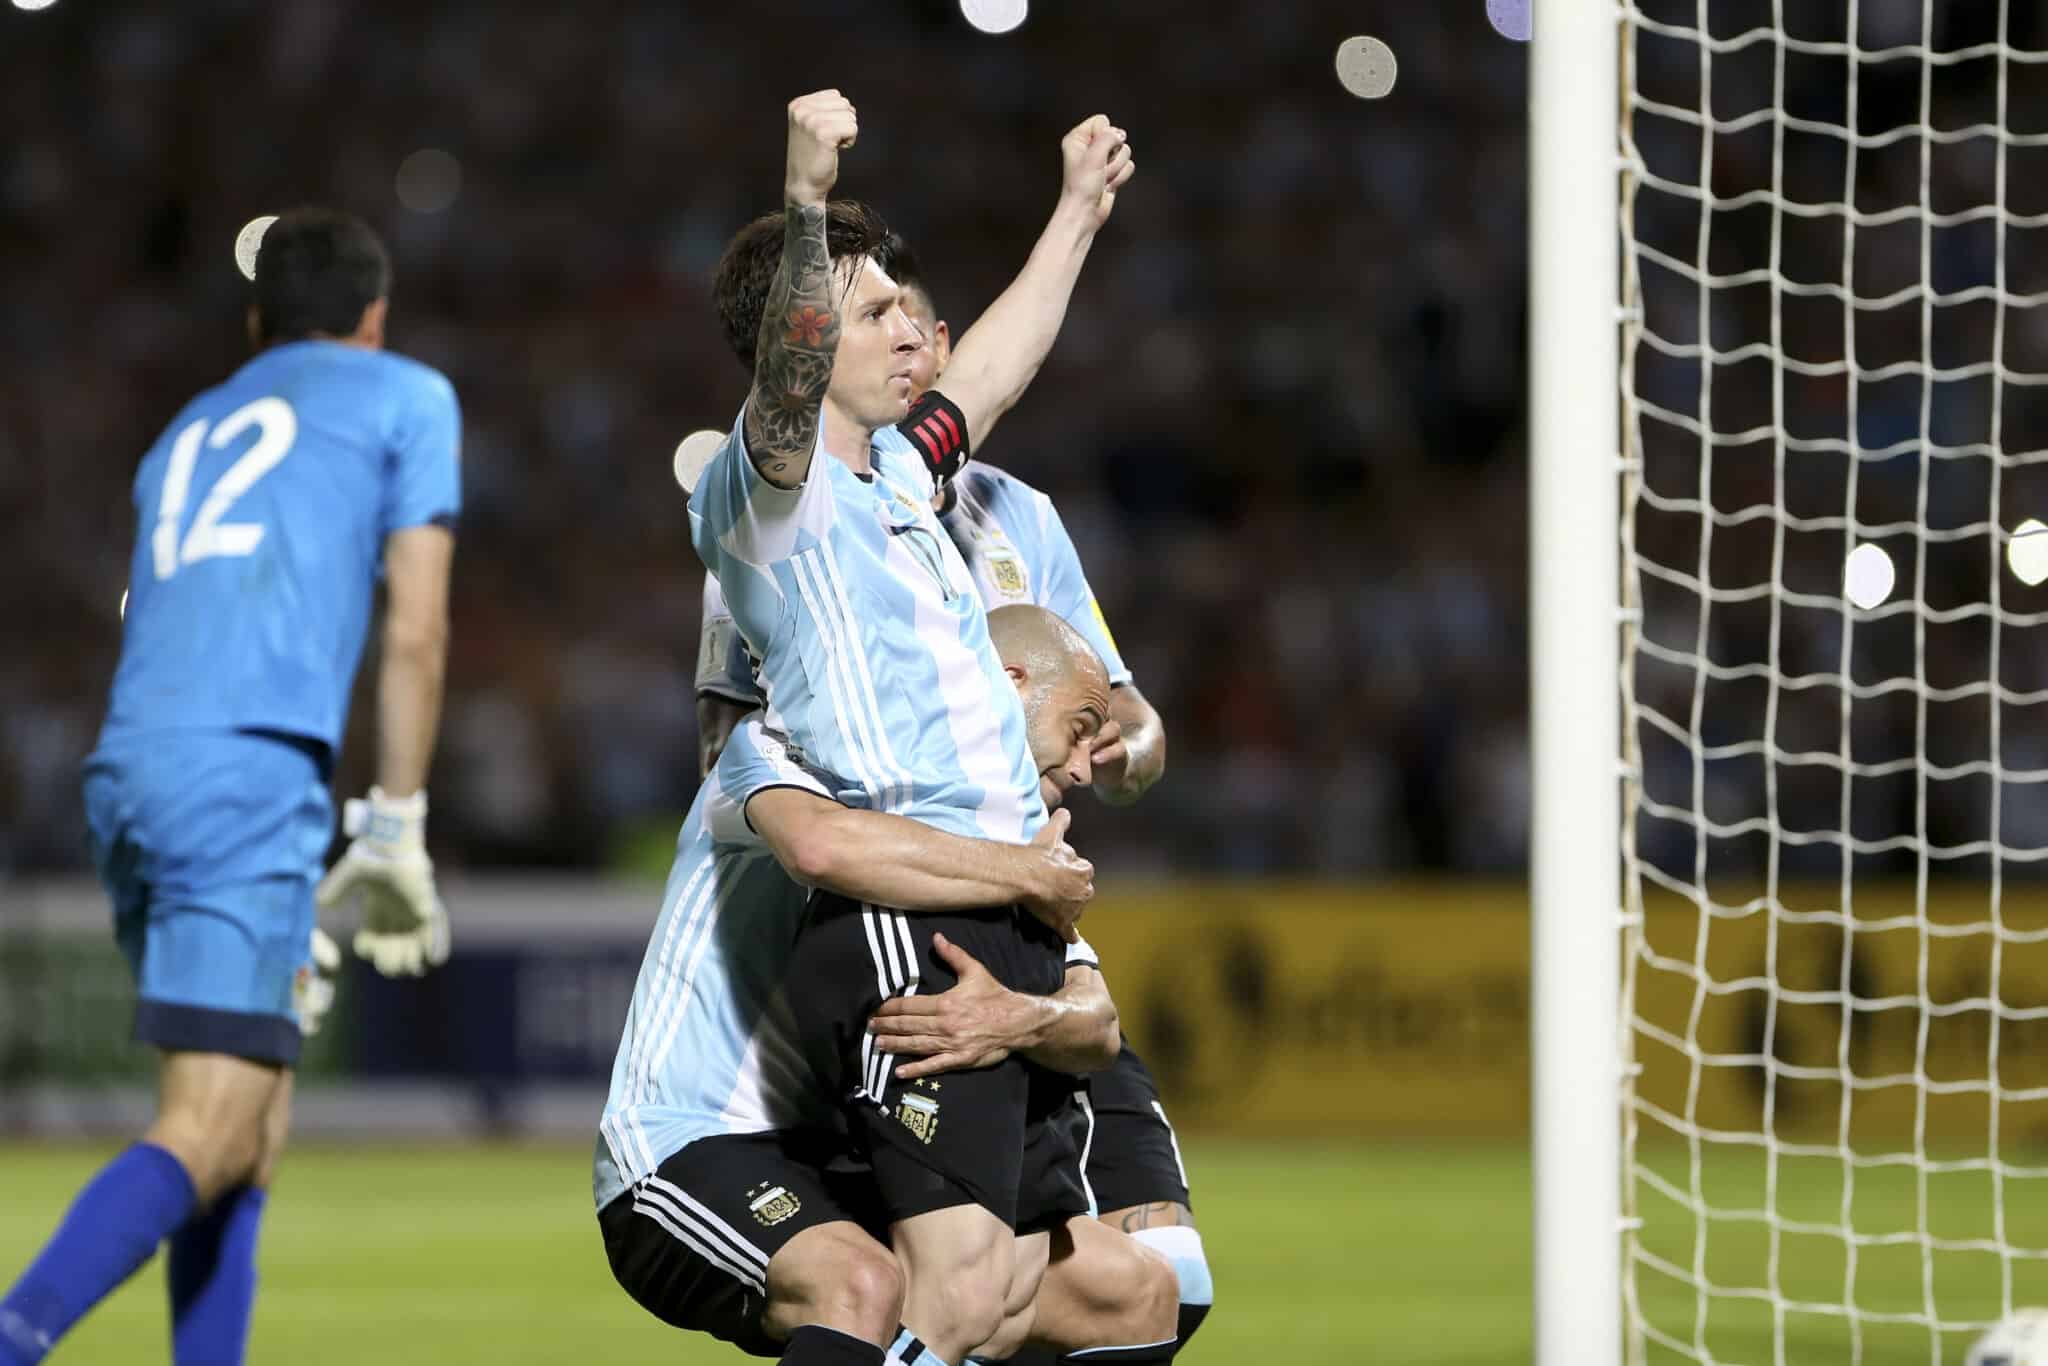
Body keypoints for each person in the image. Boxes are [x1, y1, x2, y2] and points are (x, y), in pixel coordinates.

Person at [698, 243, 1210, 1357]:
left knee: (1150, 1290)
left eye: (920, 323)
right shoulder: (800, 516)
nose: (913, 340)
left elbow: (1126, 712)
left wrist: (1080, 211)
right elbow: (735, 738)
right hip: (914, 896)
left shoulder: (1007, 512)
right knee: (962, 1290)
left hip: (1028, 898)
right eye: (881, 315)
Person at [0, 208, 459, 1366]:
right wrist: (396, 820)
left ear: (259, 323)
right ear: (373, 316)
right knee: (207, 1130)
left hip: (135, 767)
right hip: (246, 774)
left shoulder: (184, 432)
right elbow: (417, 628)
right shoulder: (404, 395)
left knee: (249, 1130)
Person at [596, 606, 1174, 1366]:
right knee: (861, 1288)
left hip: (835, 1156)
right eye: (1078, 727)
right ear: (1005, 685)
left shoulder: (984, 832)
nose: (1079, 769)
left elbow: (1096, 1021)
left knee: (1132, 1294)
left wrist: (1017, 1016)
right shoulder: (783, 747)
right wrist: (1032, 874)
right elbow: (820, 845)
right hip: (689, 1143)